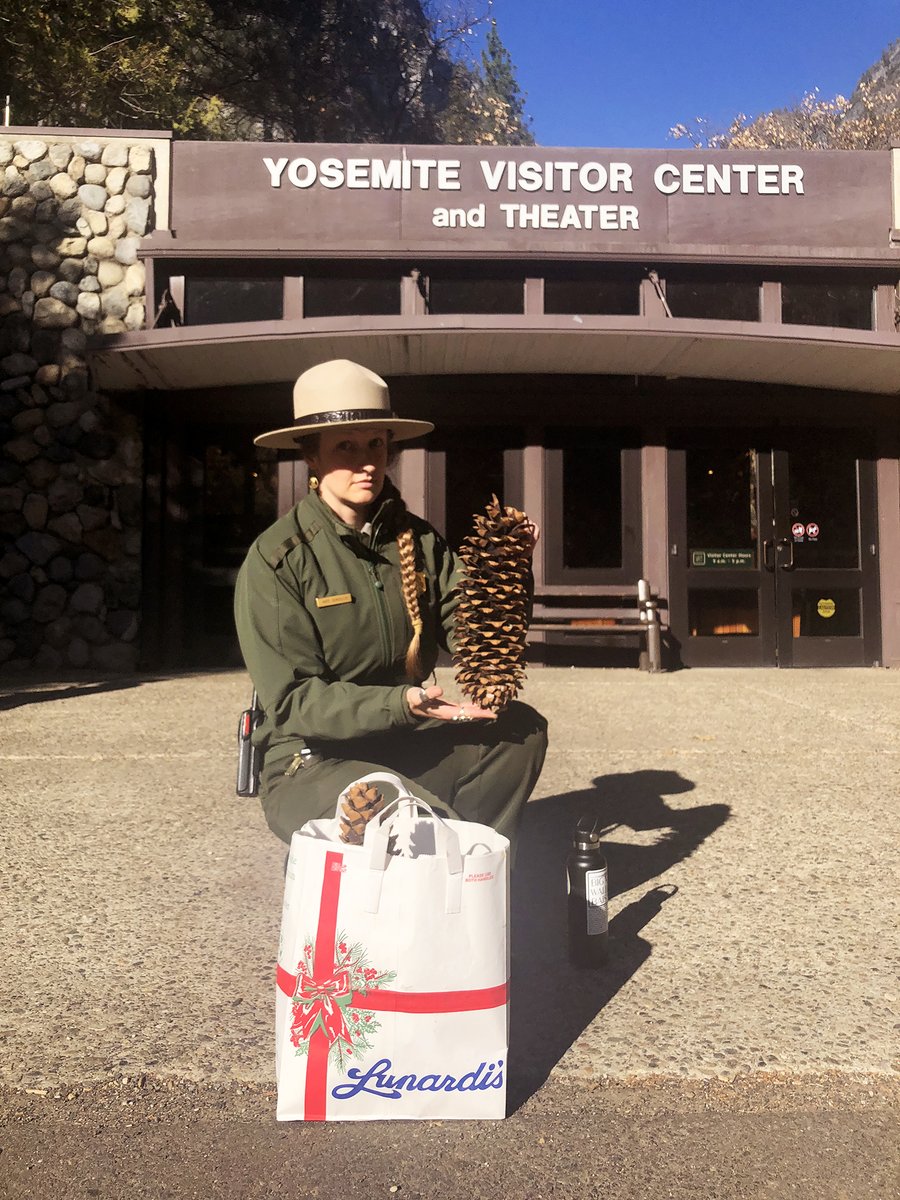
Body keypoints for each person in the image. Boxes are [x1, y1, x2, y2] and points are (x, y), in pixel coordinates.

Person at [234, 358, 548, 849]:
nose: (367, 462)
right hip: (313, 757)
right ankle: (436, 847)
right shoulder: (277, 560)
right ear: (310, 456)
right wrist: (400, 702)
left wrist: (505, 573)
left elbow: (472, 633)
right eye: (346, 447)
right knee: (402, 812)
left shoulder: (419, 542)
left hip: (404, 736)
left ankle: (471, 874)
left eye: (376, 444)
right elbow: (294, 703)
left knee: (519, 733)